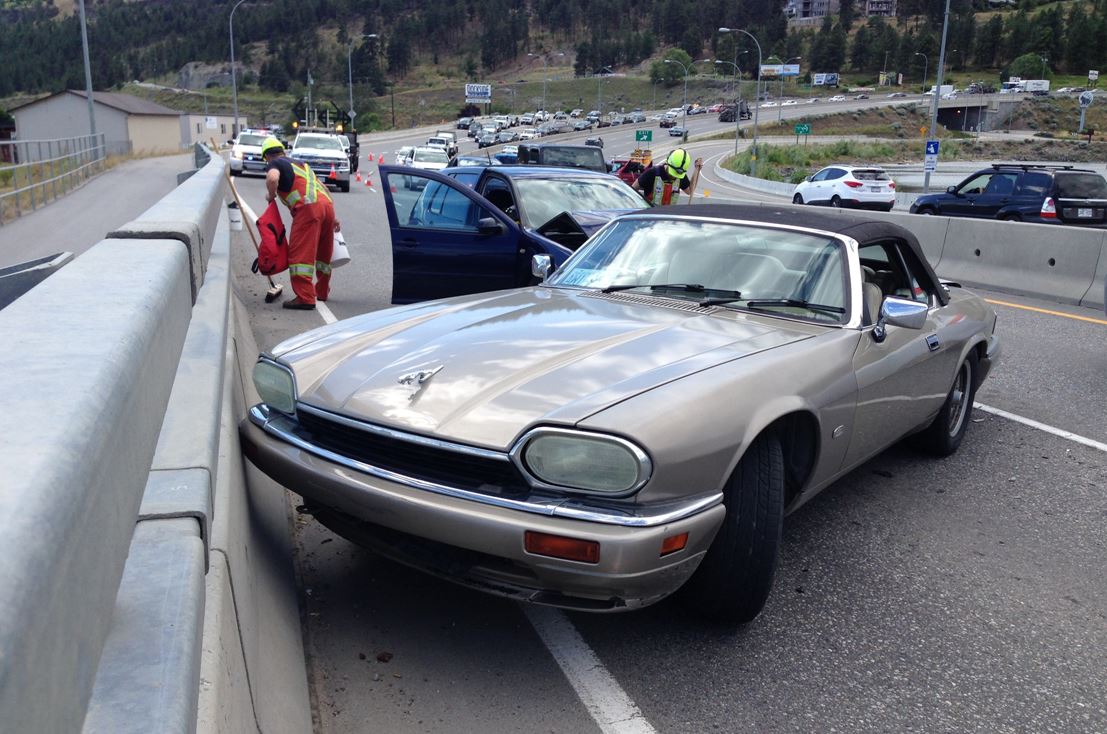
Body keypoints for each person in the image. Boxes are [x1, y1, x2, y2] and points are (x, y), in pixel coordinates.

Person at [261, 136, 341, 310]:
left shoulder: (275, 163)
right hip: (327, 206)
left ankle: (305, 297)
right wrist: (333, 217)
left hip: (308, 210)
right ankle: (321, 292)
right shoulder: (301, 165)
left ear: (267, 156)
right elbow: (323, 188)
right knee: (323, 255)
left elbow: (273, 179)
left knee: (300, 255)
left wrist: (271, 195)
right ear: (283, 150)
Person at [632, 148, 703, 206]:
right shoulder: (652, 173)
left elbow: (690, 191)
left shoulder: (680, 176)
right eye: (673, 173)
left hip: (668, 218)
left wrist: (696, 170)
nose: (674, 177)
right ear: (668, 163)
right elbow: (633, 189)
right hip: (651, 217)